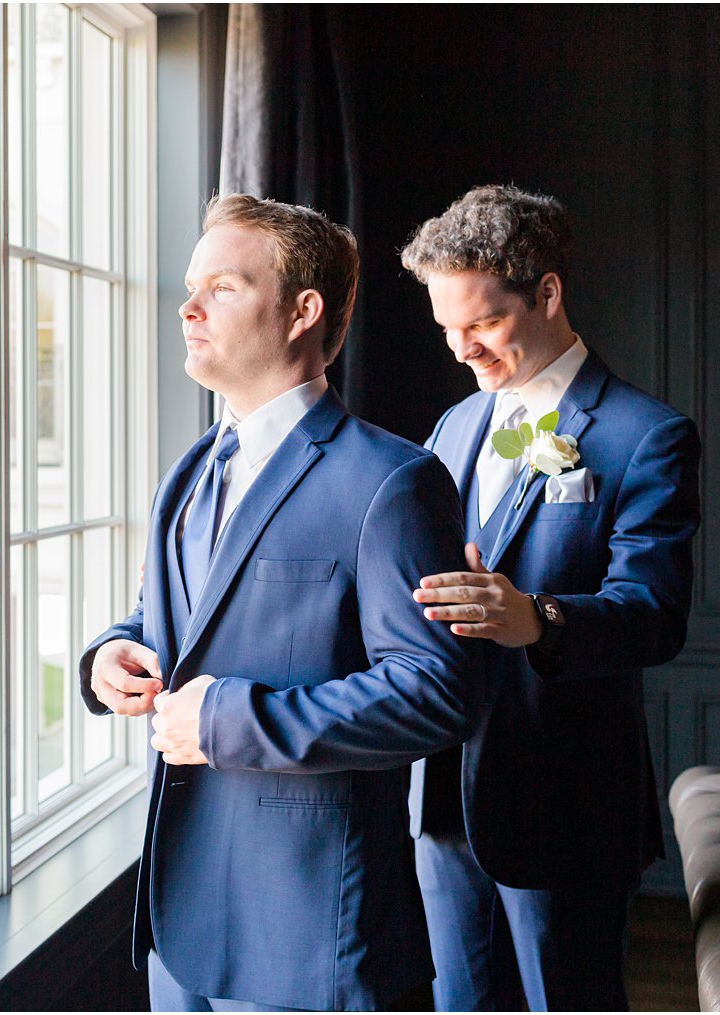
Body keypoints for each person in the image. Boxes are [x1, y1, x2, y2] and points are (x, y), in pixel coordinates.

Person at [80, 194, 479, 1012]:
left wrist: (230, 718)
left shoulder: (391, 482)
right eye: (192, 286)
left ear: (304, 310)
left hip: (310, 940)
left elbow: (438, 692)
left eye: (221, 287)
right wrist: (108, 658)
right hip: (178, 923)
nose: (187, 307)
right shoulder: (190, 474)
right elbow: (165, 622)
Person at [400, 184, 701, 1012]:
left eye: (483, 324)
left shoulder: (646, 435)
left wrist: (536, 617)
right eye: (447, 329)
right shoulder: (453, 428)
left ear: (547, 294)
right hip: (443, 797)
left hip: (566, 803)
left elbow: (655, 612)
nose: (462, 350)